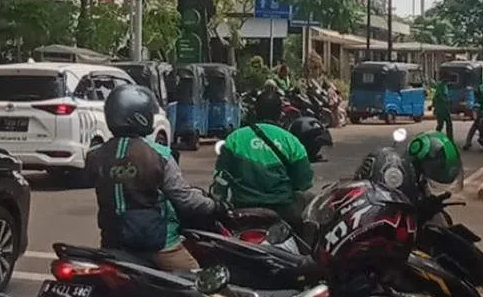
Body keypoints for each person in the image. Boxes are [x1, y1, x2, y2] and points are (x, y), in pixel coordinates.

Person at [86, 84, 218, 271]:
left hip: (112, 244)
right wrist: (213, 205)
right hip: (158, 245)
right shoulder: (159, 154)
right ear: (139, 115)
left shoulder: (95, 155)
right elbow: (184, 199)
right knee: (197, 281)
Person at [211, 88, 315, 227]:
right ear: (280, 114)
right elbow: (303, 182)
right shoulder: (291, 141)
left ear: (255, 111)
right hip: (282, 211)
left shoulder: (234, 139)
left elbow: (220, 178)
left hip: (241, 209)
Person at [432, 76, 454, 141]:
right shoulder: (441, 86)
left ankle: (449, 138)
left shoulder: (444, 86)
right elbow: (439, 96)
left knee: (446, 124)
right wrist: (447, 101)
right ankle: (438, 137)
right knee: (442, 125)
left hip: (444, 109)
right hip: (441, 109)